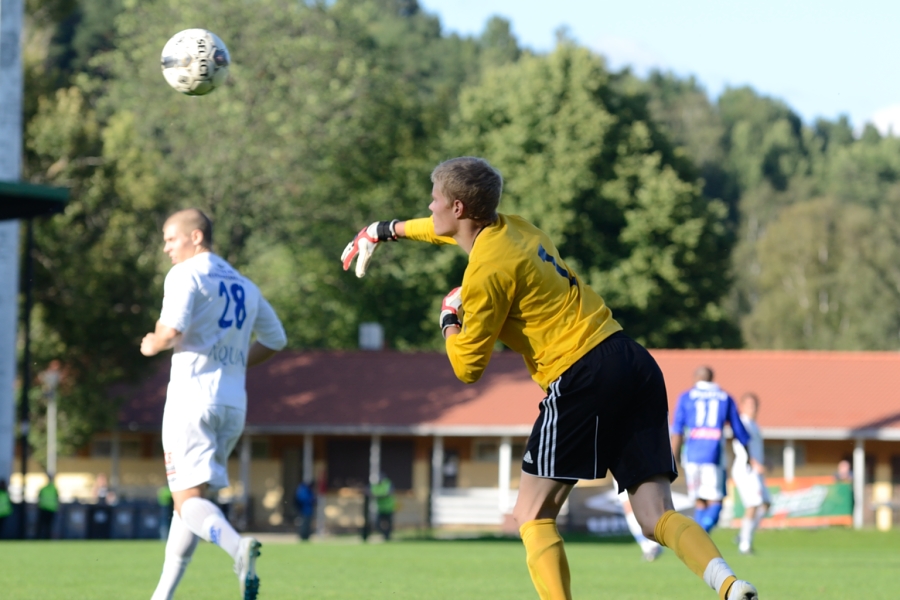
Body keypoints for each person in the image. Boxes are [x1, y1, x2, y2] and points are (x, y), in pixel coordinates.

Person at [342, 157, 759, 600]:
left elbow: (467, 367)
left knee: (532, 514)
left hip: (581, 372)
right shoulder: (517, 227)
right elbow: (439, 229)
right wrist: (383, 230)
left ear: (459, 208)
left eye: (436, 199)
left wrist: (449, 317)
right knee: (655, 513)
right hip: (631, 359)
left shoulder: (484, 272)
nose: (430, 205)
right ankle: (728, 584)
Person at [141, 208, 287, 600]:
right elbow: (276, 340)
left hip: (191, 399)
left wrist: (152, 342)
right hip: (232, 404)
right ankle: (162, 596)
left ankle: (236, 547)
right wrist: (238, 360)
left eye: (172, 239)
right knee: (188, 504)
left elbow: (170, 330)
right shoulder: (244, 285)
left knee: (187, 501)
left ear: (196, 237)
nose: (167, 248)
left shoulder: (186, 274)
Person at [671, 366, 753, 533]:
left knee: (700, 500)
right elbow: (738, 430)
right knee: (716, 500)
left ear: (695, 378)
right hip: (714, 455)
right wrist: (748, 453)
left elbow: (677, 430)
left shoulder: (686, 397)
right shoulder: (724, 397)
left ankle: (698, 535)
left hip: (692, 456)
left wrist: (674, 458)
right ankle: (701, 534)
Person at [731, 392, 770, 555]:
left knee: (766, 504)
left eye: (754, 405)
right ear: (743, 406)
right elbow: (741, 446)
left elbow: (757, 448)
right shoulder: (742, 423)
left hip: (756, 470)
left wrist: (765, 461)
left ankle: (743, 535)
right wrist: (754, 462)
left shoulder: (754, 425)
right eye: (749, 405)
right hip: (746, 469)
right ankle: (745, 545)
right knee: (753, 504)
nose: (752, 408)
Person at [370, 474, 396, 541]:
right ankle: (384, 534)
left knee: (389, 523)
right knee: (377, 523)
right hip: (380, 508)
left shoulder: (387, 484)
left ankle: (387, 537)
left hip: (389, 507)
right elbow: (371, 493)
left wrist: (379, 496)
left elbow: (389, 493)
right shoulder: (374, 485)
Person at [37, 473, 59, 539]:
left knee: (49, 526)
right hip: (44, 509)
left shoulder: (54, 489)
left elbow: (57, 499)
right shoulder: (44, 489)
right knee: (42, 526)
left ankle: (48, 538)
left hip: (51, 510)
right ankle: (40, 538)